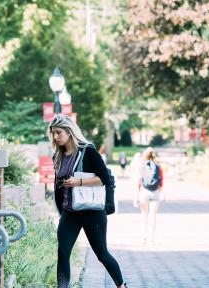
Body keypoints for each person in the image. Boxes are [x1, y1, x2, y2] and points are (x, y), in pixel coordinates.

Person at [48, 115, 127, 288]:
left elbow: (104, 178)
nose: (55, 137)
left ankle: (121, 285)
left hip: (92, 213)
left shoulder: (88, 150)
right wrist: (62, 211)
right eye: (53, 133)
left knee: (102, 254)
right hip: (70, 213)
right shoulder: (58, 156)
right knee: (63, 253)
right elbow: (58, 186)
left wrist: (79, 182)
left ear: (69, 131)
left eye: (58, 132)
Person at [133, 147, 164, 244]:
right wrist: (161, 191)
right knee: (153, 216)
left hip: (144, 192)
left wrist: (136, 196)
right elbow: (161, 181)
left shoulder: (142, 165)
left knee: (144, 215)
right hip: (155, 192)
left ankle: (143, 237)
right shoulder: (158, 166)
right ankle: (151, 238)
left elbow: (138, 181)